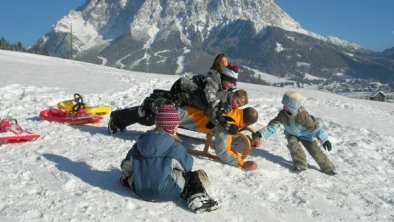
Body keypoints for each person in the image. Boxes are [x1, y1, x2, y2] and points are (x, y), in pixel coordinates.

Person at [120, 104, 220, 213]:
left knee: (138, 170)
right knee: (192, 176)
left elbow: (126, 164)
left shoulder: (140, 143)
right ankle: (198, 198)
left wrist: (125, 178)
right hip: (167, 191)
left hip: (138, 189)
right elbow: (187, 166)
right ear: (173, 127)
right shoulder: (173, 146)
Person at [251, 91, 336, 175]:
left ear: (293, 106)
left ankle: (328, 168)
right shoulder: (282, 115)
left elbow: (315, 128)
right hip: (291, 134)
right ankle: (300, 164)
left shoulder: (303, 116)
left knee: (315, 150)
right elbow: (274, 126)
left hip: (307, 135)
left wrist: (325, 140)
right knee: (293, 145)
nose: (283, 107)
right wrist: (260, 133)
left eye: (286, 105)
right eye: (284, 104)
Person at [108, 89, 248, 134]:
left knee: (151, 118)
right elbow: (213, 112)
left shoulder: (228, 104)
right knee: (149, 118)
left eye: (239, 105)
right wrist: (225, 123)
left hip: (187, 107)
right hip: (185, 104)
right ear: (234, 95)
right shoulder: (223, 98)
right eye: (237, 101)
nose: (236, 105)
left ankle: (119, 119)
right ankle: (116, 118)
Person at [178, 105, 259, 171]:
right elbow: (222, 150)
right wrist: (242, 163)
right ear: (248, 124)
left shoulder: (234, 110)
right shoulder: (230, 123)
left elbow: (229, 139)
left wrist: (250, 143)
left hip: (184, 108)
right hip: (180, 114)